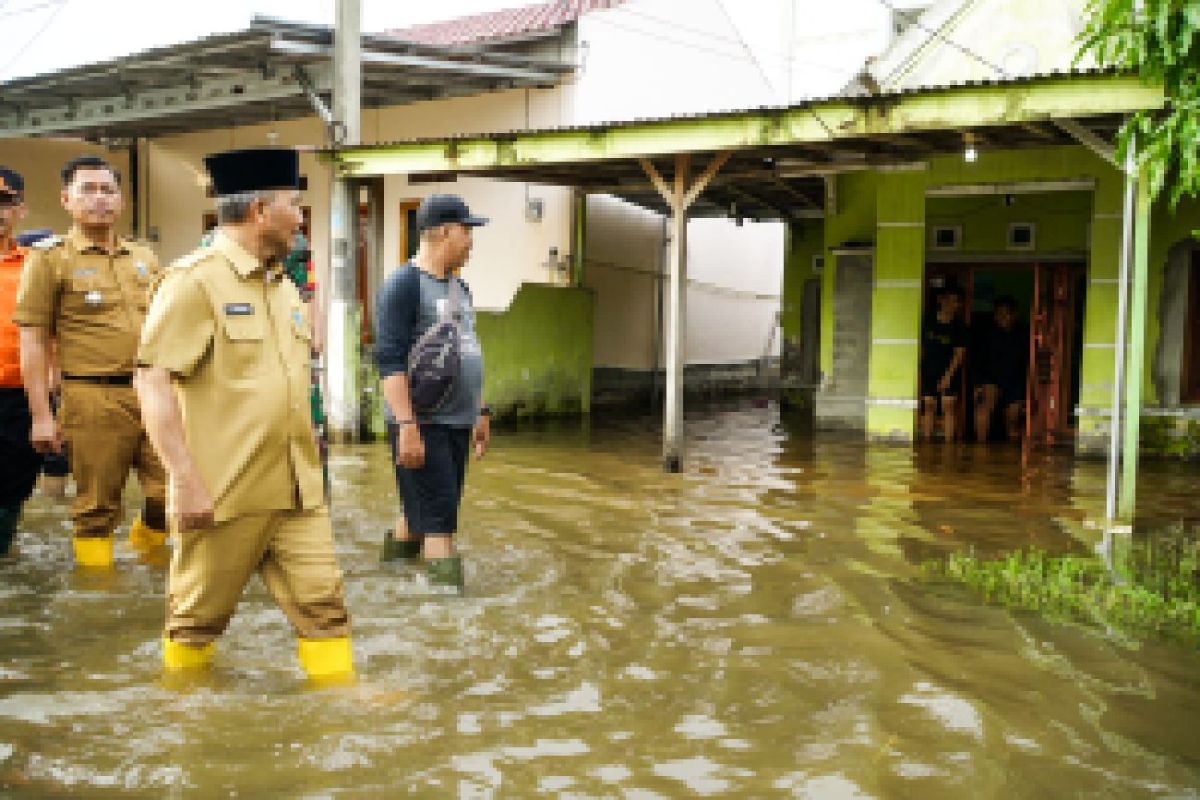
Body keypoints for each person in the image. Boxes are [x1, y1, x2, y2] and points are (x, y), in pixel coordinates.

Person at [135, 147, 353, 681]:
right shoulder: (195, 280)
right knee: (196, 620)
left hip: (297, 488)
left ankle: (340, 701)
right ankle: (181, 713)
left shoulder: (281, 285)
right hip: (225, 491)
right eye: (294, 206)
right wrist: (183, 481)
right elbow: (152, 378)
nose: (301, 219)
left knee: (325, 608)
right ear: (260, 210)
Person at [14, 155, 167, 567]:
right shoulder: (49, 260)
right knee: (97, 507)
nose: (100, 199)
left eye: (109, 190)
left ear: (121, 199)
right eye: (88, 190)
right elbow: (31, 340)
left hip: (153, 393)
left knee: (168, 493)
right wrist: (41, 415)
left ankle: (147, 555)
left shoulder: (144, 257)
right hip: (92, 396)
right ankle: (98, 594)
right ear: (66, 199)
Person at [375, 194, 491, 593]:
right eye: (466, 230)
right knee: (441, 523)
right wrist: (407, 425)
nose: (471, 240)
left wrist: (481, 411)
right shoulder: (403, 285)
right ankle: (447, 623)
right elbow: (388, 360)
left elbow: (468, 349)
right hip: (423, 423)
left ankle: (392, 584)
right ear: (445, 232)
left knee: (419, 511)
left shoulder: (461, 288)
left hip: (457, 421)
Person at [0, 168, 43, 556]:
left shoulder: (37, 265)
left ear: (20, 210)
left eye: (4, 200)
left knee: (13, 486)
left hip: (19, 398)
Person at [973, 295, 1026, 442]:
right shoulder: (987, 334)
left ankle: (1010, 455)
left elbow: (1027, 361)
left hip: (1015, 380)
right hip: (991, 379)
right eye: (998, 314)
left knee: (1013, 417)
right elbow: (978, 360)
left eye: (1006, 314)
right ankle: (979, 448)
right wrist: (977, 384)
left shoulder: (1023, 333)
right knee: (984, 408)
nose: (1002, 318)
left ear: (1014, 315)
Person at [919, 284, 967, 442]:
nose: (953, 305)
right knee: (929, 406)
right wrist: (920, 370)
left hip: (949, 370)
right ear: (941, 301)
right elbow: (921, 346)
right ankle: (926, 444)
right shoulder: (928, 320)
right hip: (928, 369)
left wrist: (948, 376)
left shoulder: (959, 325)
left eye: (956, 302)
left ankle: (948, 446)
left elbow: (959, 353)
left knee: (948, 407)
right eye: (950, 300)